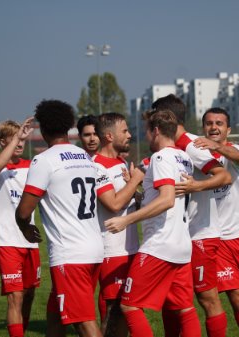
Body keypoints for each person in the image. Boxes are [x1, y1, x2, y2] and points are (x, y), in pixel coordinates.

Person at [104, 109, 201, 337]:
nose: (145, 137)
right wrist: (140, 192)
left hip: (160, 244)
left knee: (129, 304)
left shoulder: (161, 157)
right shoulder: (183, 157)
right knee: (185, 308)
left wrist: (126, 219)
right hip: (181, 244)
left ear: (156, 131)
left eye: (146, 132)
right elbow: (166, 198)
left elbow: (167, 200)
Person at [16, 100, 105, 337]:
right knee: (55, 316)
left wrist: (24, 227)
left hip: (70, 254)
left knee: (84, 322)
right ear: (69, 128)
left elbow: (24, 211)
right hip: (95, 249)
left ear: (42, 129)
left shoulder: (44, 160)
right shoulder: (85, 157)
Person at [152, 94, 232, 337]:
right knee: (172, 299)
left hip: (200, 235)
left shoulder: (190, 145)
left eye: (156, 117)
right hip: (180, 236)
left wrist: (194, 186)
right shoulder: (170, 147)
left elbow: (223, 176)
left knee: (207, 298)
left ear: (169, 118)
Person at [194, 108, 239, 334]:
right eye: (209, 123)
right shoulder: (198, 156)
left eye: (219, 123)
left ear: (228, 129)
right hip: (219, 239)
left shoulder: (233, 152)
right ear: (203, 127)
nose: (213, 127)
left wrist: (218, 147)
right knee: (237, 297)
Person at [0, 117, 40, 337]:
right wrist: (17, 135)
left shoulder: (33, 167)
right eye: (14, 139)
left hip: (29, 240)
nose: (19, 143)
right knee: (15, 296)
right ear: (2, 142)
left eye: (22, 139)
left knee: (29, 294)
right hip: (6, 241)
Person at [93, 112, 144, 337]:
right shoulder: (96, 166)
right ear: (108, 135)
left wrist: (136, 189)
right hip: (111, 251)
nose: (129, 135)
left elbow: (130, 201)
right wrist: (134, 180)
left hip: (131, 248)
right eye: (124, 131)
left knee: (128, 310)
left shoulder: (120, 162)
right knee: (114, 312)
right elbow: (113, 204)